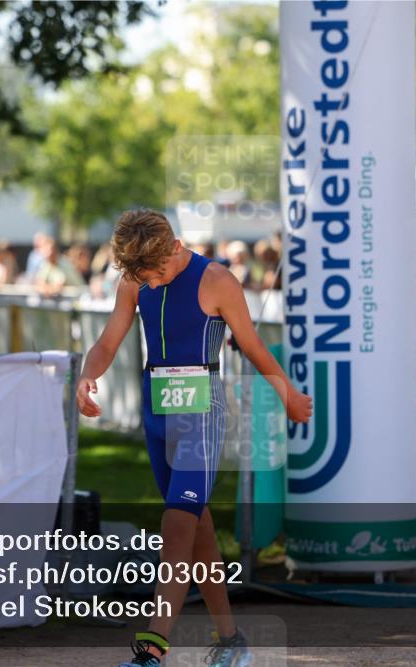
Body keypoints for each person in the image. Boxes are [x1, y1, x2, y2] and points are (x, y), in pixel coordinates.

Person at [76, 209, 312, 667]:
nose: (154, 283)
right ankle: (230, 640)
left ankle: (152, 649)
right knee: (197, 530)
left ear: (175, 248)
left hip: (202, 413)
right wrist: (88, 376)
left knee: (176, 524)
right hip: (157, 413)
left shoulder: (217, 280)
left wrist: (287, 395)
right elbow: (108, 342)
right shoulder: (136, 280)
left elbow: (253, 344)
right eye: (145, 277)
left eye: (158, 272)